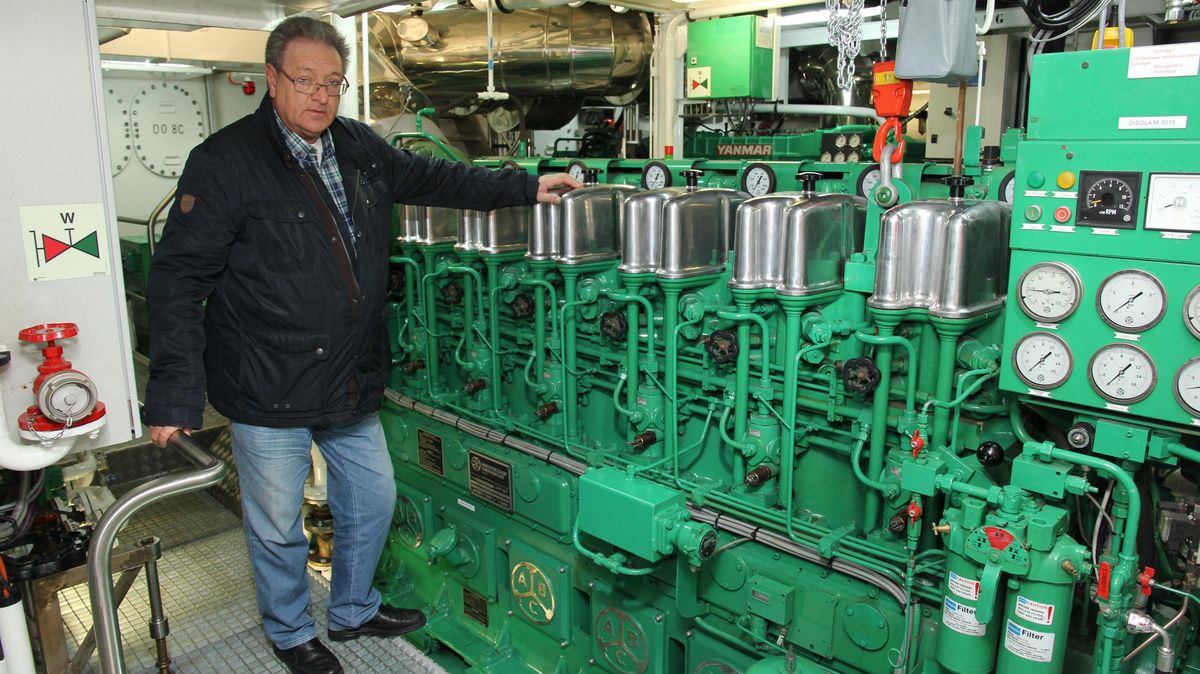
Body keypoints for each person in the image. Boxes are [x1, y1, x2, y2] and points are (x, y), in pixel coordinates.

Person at [141, 16, 579, 674]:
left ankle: (351, 609)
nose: (320, 95)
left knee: (372, 496)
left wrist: (523, 186)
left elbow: (440, 181)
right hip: (267, 381)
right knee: (277, 524)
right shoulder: (227, 162)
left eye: (333, 83)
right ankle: (290, 632)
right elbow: (177, 281)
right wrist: (173, 392)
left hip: (347, 373)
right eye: (306, 81)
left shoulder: (357, 146)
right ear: (272, 79)